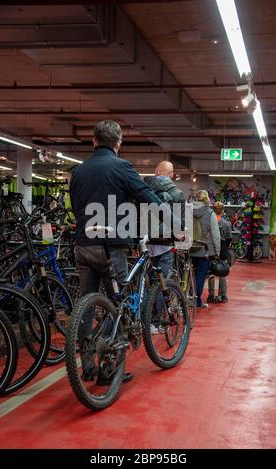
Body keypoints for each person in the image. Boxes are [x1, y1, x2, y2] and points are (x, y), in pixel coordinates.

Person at [70, 120, 184, 383]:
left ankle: (87, 366)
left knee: (85, 306)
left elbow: (77, 206)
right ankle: (109, 371)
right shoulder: (121, 167)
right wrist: (176, 228)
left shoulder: (79, 171)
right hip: (111, 248)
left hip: (83, 245)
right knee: (121, 306)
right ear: (118, 143)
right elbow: (149, 198)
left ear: (94, 140)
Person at [144, 161, 186, 334]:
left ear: (156, 171)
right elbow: (180, 223)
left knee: (143, 283)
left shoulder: (144, 187)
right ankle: (156, 321)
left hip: (145, 241)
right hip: (165, 243)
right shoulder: (177, 193)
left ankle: (141, 320)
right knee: (161, 284)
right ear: (169, 174)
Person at [191, 190, 220, 309]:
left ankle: (186, 300)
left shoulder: (188, 211)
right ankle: (197, 302)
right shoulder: (210, 213)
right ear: (206, 199)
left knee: (189, 276)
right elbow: (215, 234)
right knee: (200, 276)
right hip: (204, 250)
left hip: (189, 249)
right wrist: (217, 252)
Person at [207, 202, 232, 304]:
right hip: (223, 249)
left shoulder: (209, 222)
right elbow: (229, 238)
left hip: (211, 249)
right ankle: (223, 295)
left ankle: (211, 295)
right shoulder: (226, 224)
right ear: (222, 211)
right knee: (223, 273)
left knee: (211, 273)